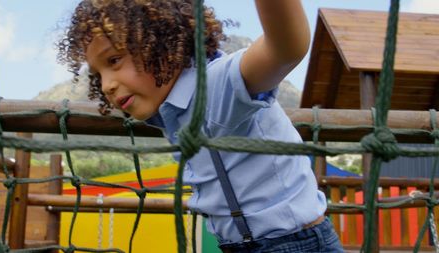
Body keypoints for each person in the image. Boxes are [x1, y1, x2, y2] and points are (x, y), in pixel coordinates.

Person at [57, 0, 344, 252]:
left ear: (160, 43)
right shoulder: (165, 112)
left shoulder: (216, 86)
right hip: (239, 245)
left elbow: (286, 49)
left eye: (114, 60)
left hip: (295, 243)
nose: (106, 85)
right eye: (98, 73)